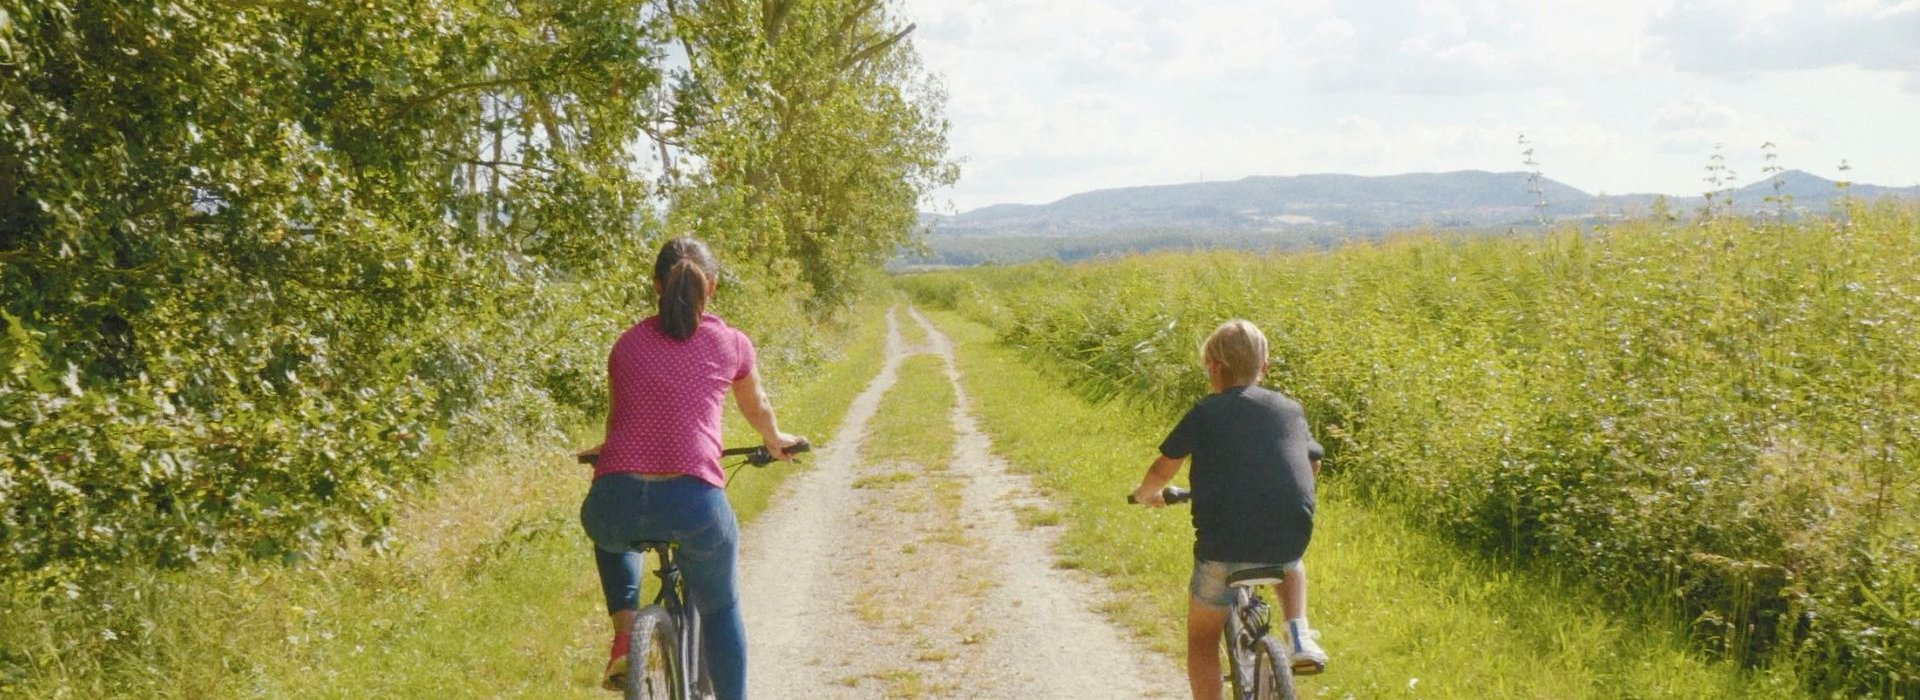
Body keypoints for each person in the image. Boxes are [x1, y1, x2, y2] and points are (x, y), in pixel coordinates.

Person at [576, 237, 803, 699]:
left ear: (656, 286)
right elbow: (756, 406)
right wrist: (775, 441)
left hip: (615, 496)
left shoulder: (626, 344)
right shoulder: (729, 342)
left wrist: (609, 450)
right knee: (719, 609)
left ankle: (624, 634)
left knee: (609, 533)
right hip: (693, 502)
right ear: (712, 288)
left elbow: (620, 418)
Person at [1131, 319, 1328, 700]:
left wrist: (1146, 493)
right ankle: (1299, 634)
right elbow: (1312, 462)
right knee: (1291, 563)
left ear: (1215, 368)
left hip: (1222, 548)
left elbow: (1164, 467)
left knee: (1202, 641)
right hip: (1287, 530)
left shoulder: (1206, 411)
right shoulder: (1289, 408)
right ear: (1264, 368)